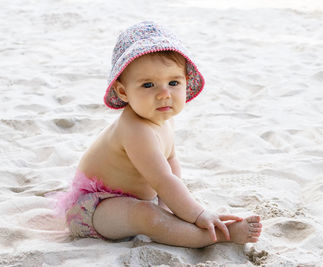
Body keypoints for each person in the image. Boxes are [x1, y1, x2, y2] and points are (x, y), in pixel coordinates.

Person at [52, 21, 262, 248]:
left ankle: (177, 222)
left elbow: (171, 162)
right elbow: (163, 180)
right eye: (148, 85)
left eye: (173, 82)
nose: (164, 94)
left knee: (163, 210)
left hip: (131, 199)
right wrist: (198, 214)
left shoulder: (160, 119)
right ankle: (220, 236)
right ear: (123, 91)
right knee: (147, 216)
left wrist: (172, 208)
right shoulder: (136, 130)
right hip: (94, 208)